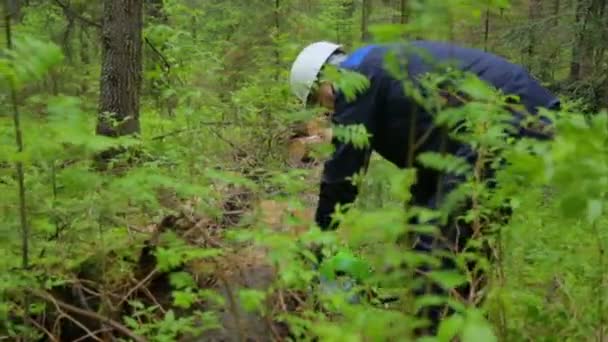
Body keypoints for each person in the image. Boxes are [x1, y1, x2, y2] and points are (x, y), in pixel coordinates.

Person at [288, 40, 560, 332]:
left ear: (325, 78)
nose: (327, 109)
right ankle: (463, 325)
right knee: (436, 225)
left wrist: (319, 238)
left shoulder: (357, 78)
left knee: (440, 240)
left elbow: (343, 169)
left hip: (509, 117)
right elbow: (430, 151)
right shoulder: (377, 65)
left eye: (320, 100)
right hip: (511, 116)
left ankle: (436, 331)